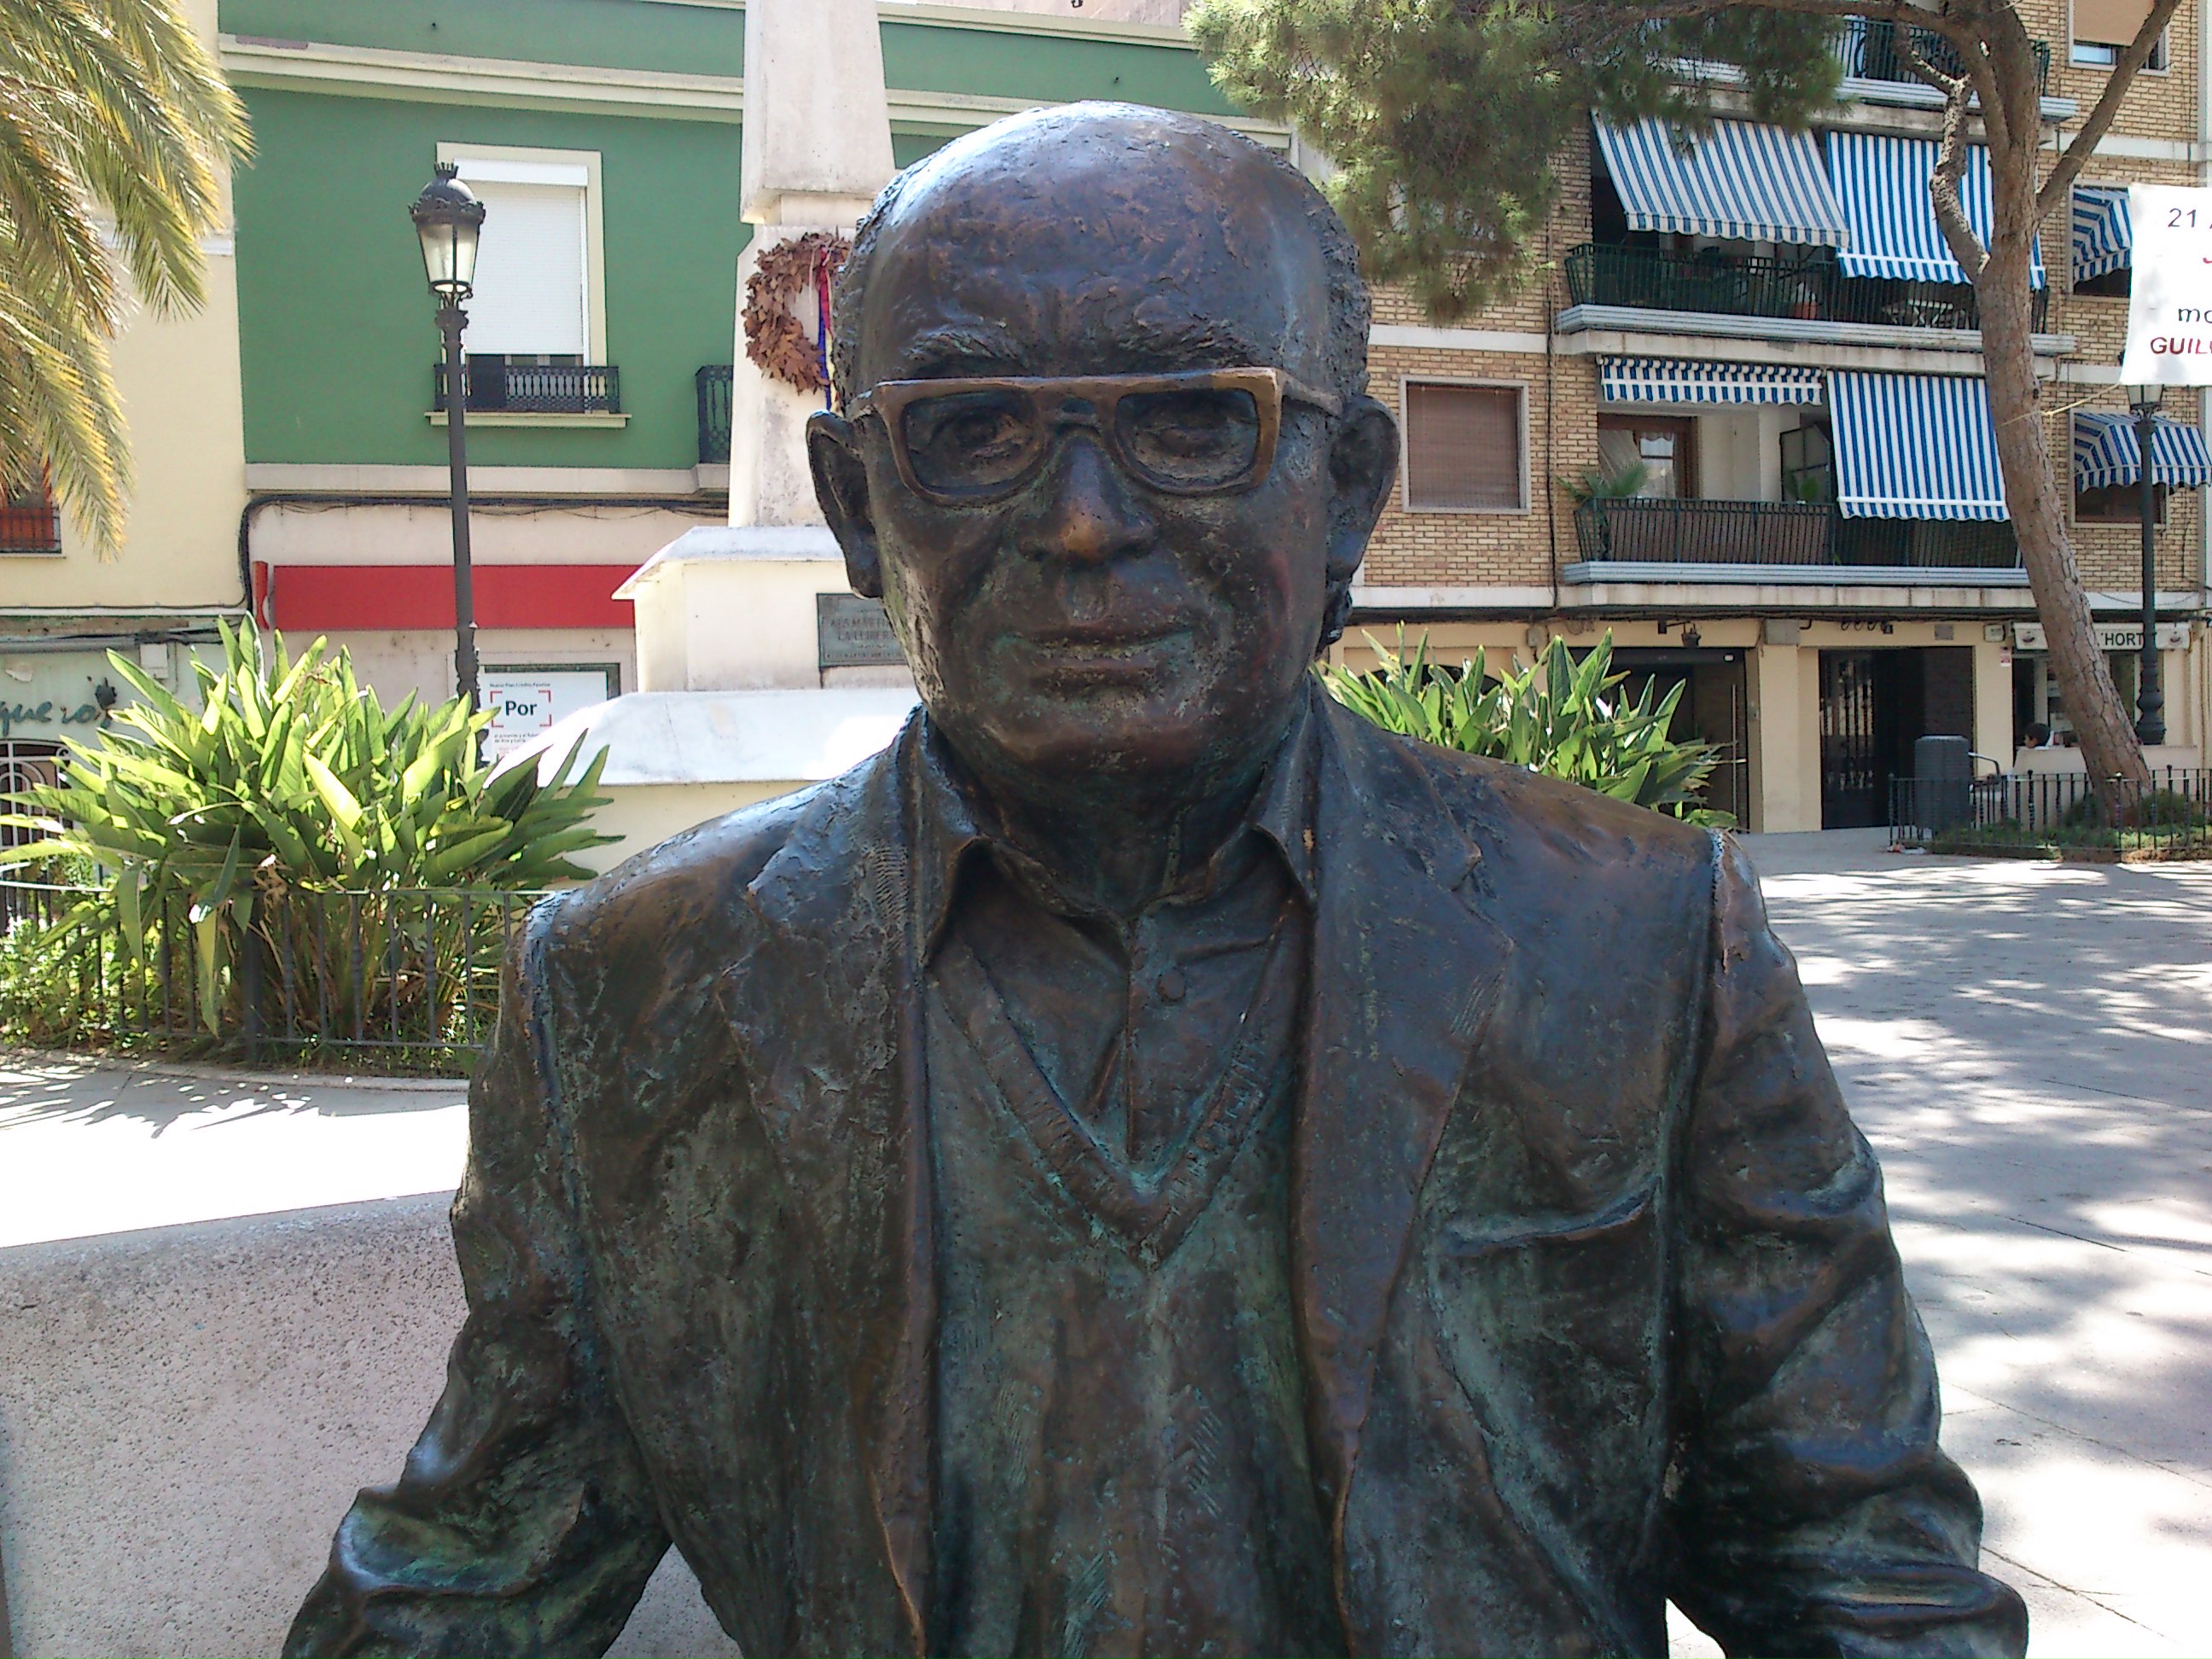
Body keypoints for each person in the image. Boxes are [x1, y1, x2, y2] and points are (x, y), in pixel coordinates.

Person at [284, 104, 2026, 1659]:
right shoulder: (631, 996)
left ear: (1345, 493)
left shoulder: (1638, 941)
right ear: (856, 503)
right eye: (975, 430)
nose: (1085, 521)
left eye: (1196, 415)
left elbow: (1859, 1572)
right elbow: (474, 1574)